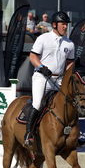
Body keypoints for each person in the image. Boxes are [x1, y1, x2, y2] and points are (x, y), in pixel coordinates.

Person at [24, 11, 75, 145]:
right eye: (63, 24)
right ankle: (28, 133)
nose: (65, 26)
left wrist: (69, 75)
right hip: (42, 77)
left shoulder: (69, 44)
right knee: (37, 103)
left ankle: (73, 135)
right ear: (54, 25)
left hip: (58, 79)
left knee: (69, 102)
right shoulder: (43, 38)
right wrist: (41, 67)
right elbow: (33, 57)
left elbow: (70, 63)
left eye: (66, 24)